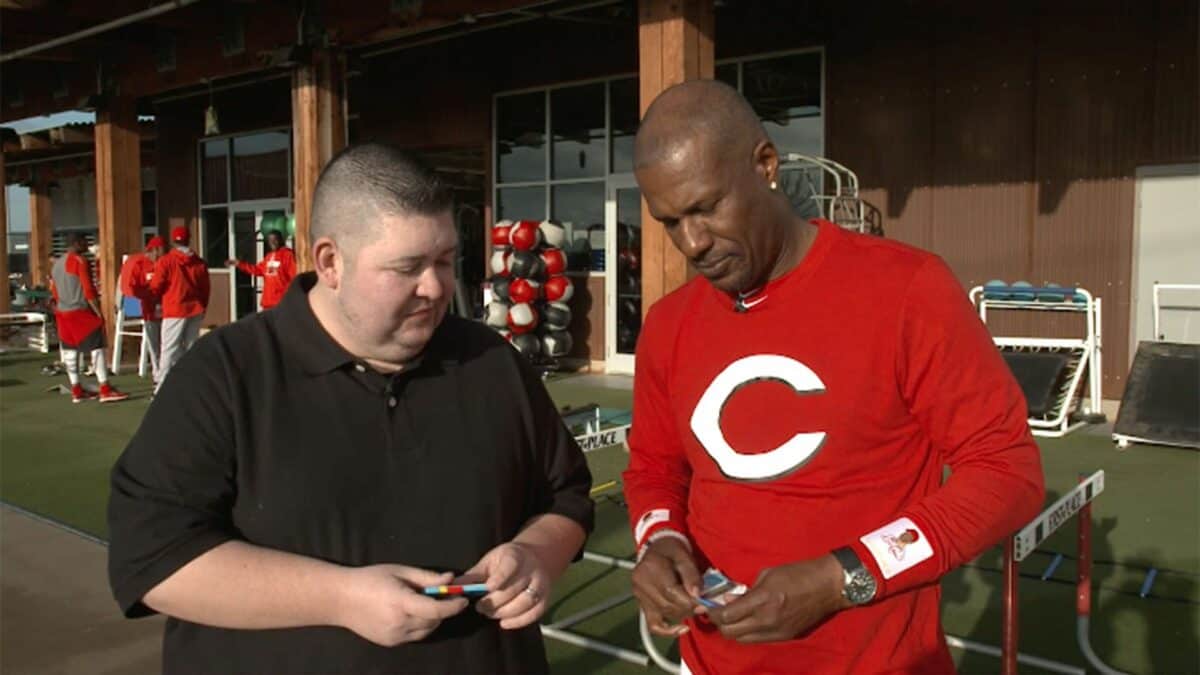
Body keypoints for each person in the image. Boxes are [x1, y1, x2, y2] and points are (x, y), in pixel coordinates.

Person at [107, 143, 594, 674]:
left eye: (445, 261)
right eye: (407, 267)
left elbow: (566, 496)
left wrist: (536, 555)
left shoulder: (492, 362)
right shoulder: (226, 374)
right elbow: (151, 560)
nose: (435, 287)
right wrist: (340, 598)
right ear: (330, 262)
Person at [622, 79, 1045, 674]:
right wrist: (660, 539)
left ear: (765, 165)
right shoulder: (669, 324)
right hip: (710, 663)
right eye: (669, 222)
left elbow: (1006, 472)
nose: (691, 243)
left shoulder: (906, 290)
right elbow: (654, 469)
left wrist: (845, 577)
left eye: (706, 208)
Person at [48, 232, 129, 403]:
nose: (87, 245)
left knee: (70, 352)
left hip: (62, 314)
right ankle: (105, 388)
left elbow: (54, 293)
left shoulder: (56, 265)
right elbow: (88, 290)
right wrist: (98, 312)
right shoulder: (79, 261)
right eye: (84, 241)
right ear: (77, 243)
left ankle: (76, 390)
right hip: (80, 311)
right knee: (97, 348)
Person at [149, 226, 209, 392]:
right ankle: (192, 385)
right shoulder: (199, 262)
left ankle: (161, 387)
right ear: (189, 239)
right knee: (190, 348)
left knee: (168, 349)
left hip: (174, 309)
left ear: (173, 241)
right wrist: (203, 307)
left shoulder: (166, 261)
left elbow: (156, 286)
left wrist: (153, 299)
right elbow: (205, 289)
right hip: (195, 309)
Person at [118, 236, 166, 385]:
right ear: (154, 250)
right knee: (154, 340)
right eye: (161, 250)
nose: (162, 254)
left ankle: (163, 371)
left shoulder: (164, 262)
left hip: (163, 306)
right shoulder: (137, 263)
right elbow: (128, 289)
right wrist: (147, 298)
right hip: (140, 304)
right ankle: (157, 373)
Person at [225, 228, 297, 310]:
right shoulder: (269, 256)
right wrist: (239, 264)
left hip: (281, 301)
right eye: (270, 240)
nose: (272, 242)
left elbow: (294, 276)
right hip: (268, 301)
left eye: (275, 240)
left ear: (280, 240)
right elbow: (257, 270)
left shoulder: (287, 255)